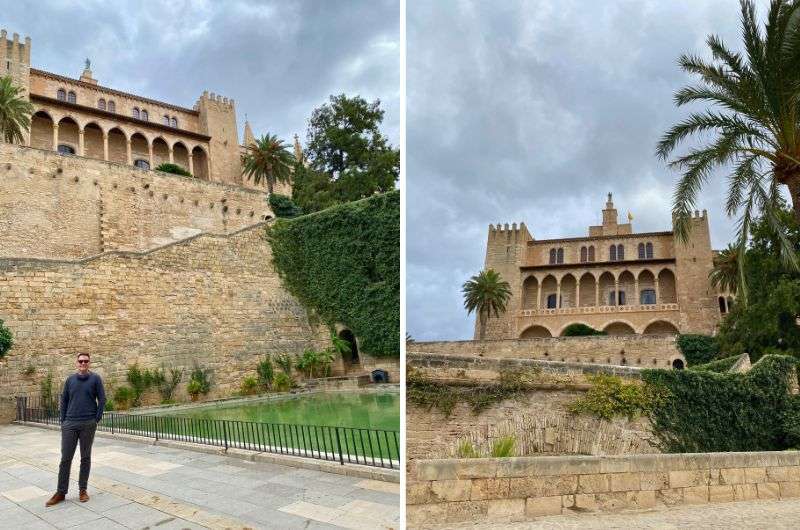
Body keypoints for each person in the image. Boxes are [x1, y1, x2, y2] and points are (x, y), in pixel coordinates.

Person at [45, 353, 106, 506]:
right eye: (80, 361)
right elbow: (64, 399)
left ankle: (82, 490)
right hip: (70, 424)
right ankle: (61, 492)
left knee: (85, 458)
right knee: (65, 458)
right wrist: (63, 421)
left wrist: (96, 418)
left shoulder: (95, 379)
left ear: (89, 363)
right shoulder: (70, 380)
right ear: (76, 363)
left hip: (88, 423)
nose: (83, 363)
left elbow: (102, 399)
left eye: (86, 361)